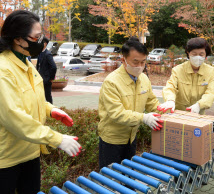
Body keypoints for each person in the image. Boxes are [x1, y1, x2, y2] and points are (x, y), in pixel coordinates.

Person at [0, 10, 81, 193]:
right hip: (6, 159)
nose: (41, 41)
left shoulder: (27, 64)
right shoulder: (3, 70)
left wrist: (51, 110)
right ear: (18, 39)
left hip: (30, 152)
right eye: (37, 37)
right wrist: (57, 139)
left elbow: (35, 99)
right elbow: (14, 117)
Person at [98, 39, 162, 169]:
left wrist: (166, 110)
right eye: (135, 62)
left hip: (131, 138)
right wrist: (143, 118)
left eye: (143, 62)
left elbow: (152, 103)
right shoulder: (112, 82)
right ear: (124, 60)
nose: (140, 66)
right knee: (110, 179)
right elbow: (117, 114)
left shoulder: (144, 79)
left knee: (128, 176)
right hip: (112, 140)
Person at [158, 37, 214, 114]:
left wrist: (199, 105)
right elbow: (170, 87)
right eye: (194, 54)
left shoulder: (210, 71)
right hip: (177, 113)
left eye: (201, 54)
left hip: (198, 113)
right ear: (188, 53)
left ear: (206, 54)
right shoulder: (178, 70)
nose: (198, 57)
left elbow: (211, 92)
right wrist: (170, 100)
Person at [36, 37, 57, 104]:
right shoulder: (40, 53)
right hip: (40, 78)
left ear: (45, 44)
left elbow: (53, 67)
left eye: (40, 42)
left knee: (47, 96)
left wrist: (51, 78)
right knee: (39, 95)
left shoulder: (48, 54)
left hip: (46, 79)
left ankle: (51, 111)